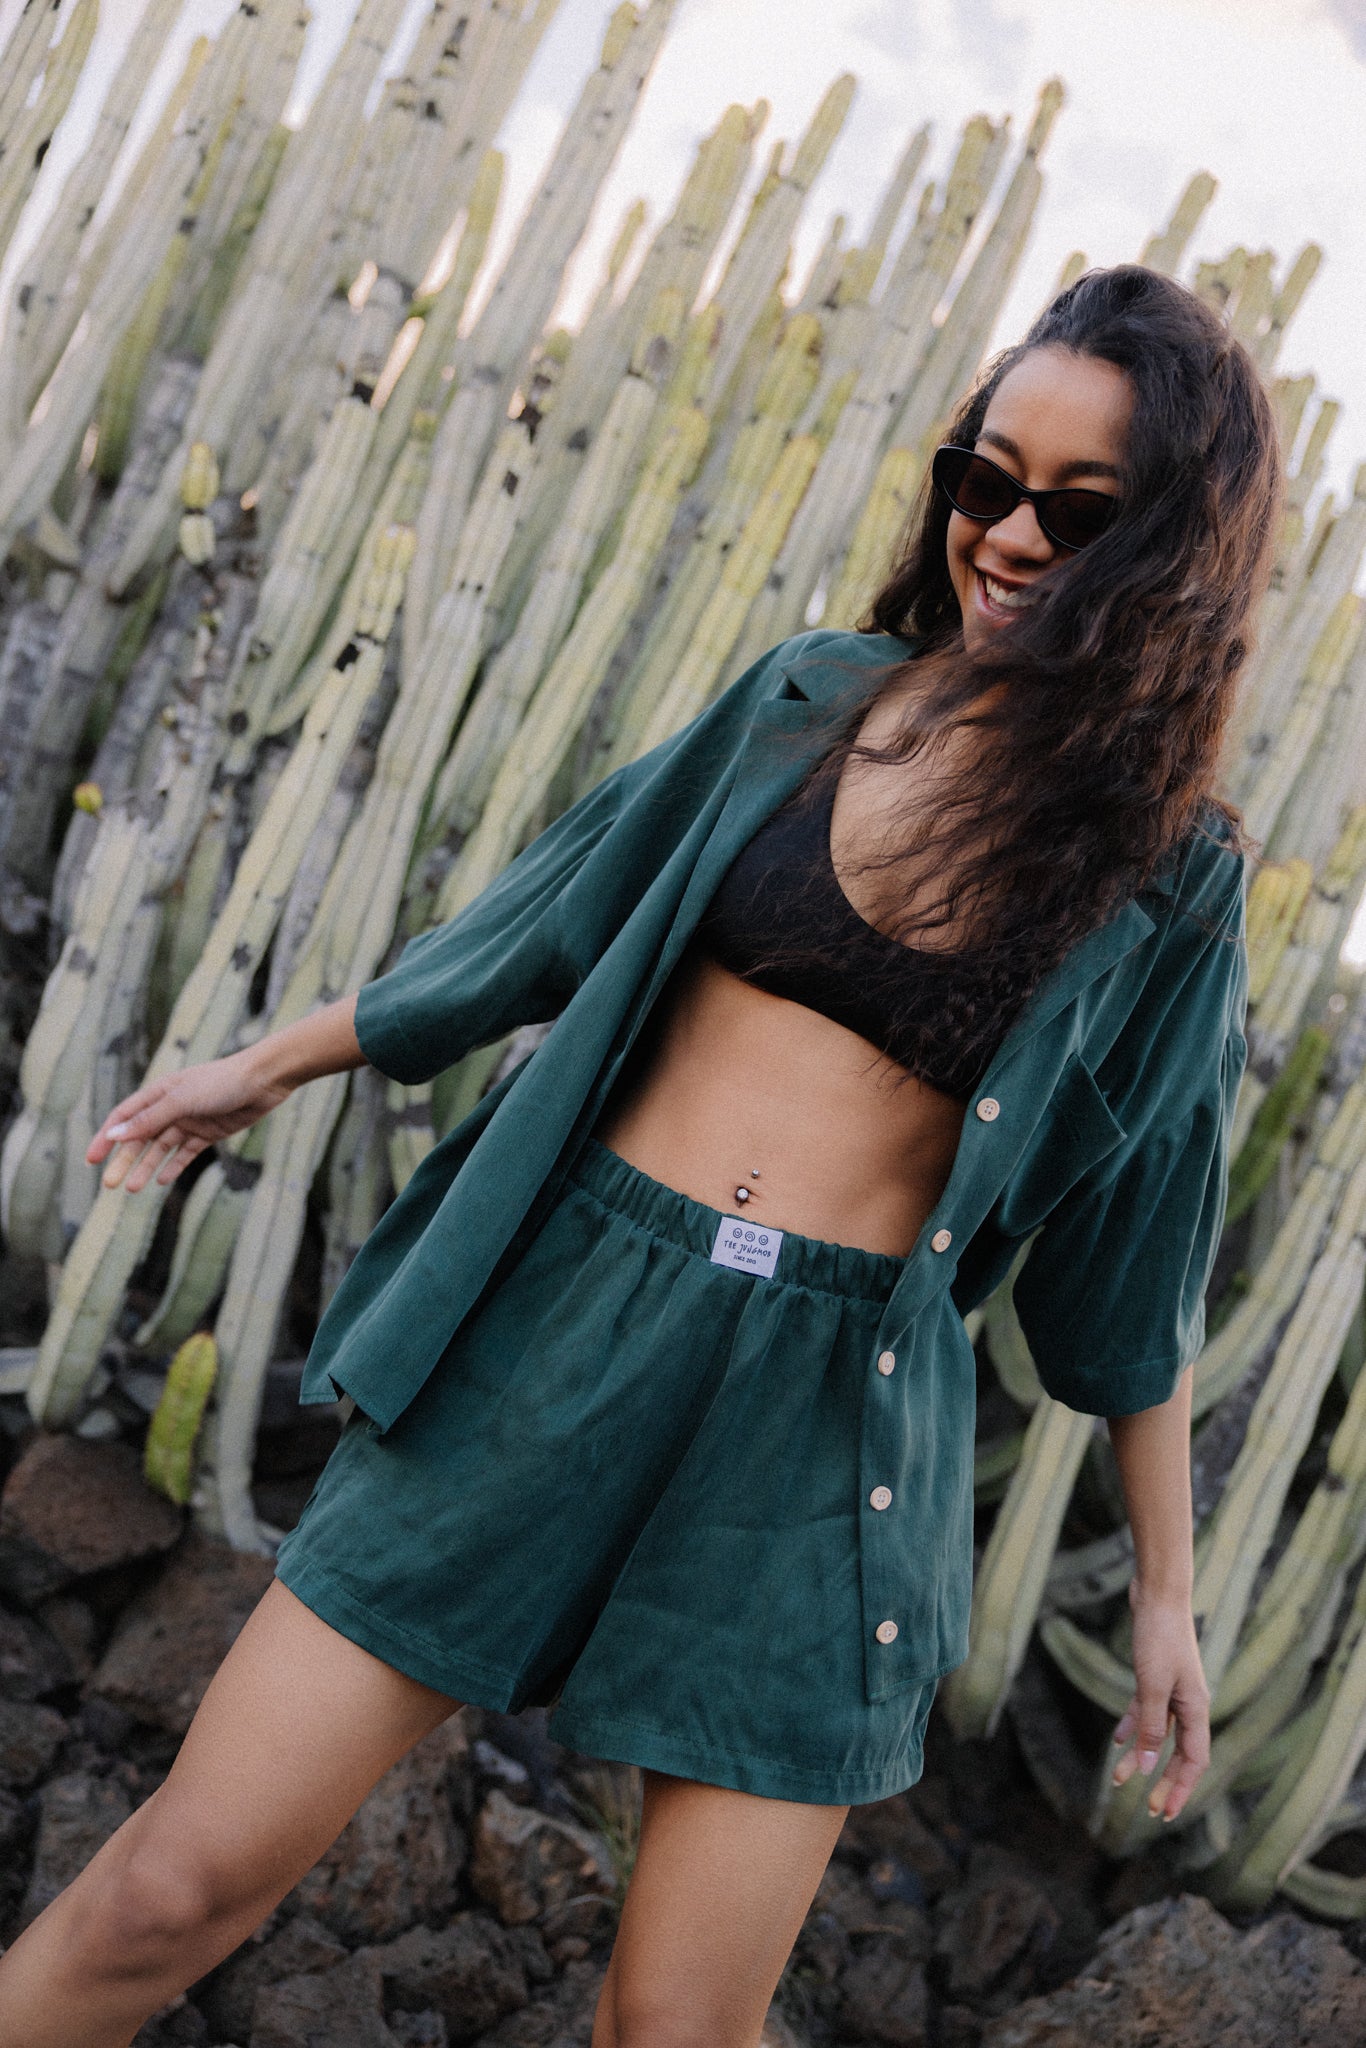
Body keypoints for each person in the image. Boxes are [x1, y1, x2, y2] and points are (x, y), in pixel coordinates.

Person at [0, 263, 1280, 2048]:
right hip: (561, 1327)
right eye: (982, 481)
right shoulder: (808, 701)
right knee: (171, 1887)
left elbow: (1134, 1273)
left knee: (673, 2030)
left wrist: (1165, 1598)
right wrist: (264, 1067)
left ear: (1169, 545)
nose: (1005, 537)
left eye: (1076, 508)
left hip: (824, 1440)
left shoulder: (1172, 878)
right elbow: (540, 923)